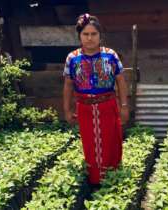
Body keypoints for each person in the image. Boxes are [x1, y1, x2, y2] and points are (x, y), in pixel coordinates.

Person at [63, 13, 129, 187]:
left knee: (111, 142)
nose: (90, 38)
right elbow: (68, 85)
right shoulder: (72, 58)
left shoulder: (111, 55)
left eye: (94, 34)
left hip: (108, 106)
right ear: (79, 36)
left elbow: (121, 81)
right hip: (84, 109)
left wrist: (124, 106)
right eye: (85, 34)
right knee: (90, 145)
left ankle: (113, 179)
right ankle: (94, 181)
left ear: (100, 36)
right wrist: (67, 110)